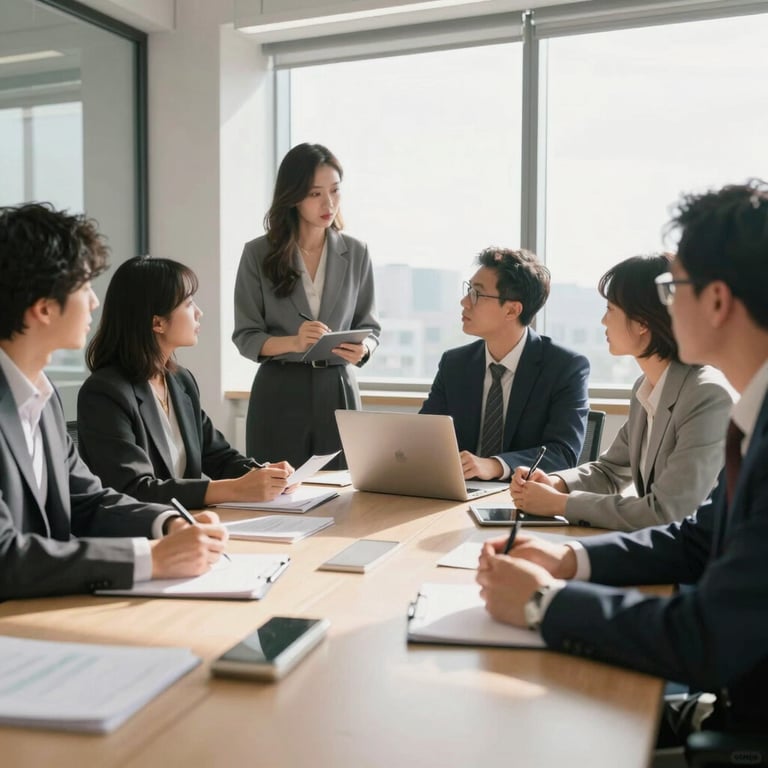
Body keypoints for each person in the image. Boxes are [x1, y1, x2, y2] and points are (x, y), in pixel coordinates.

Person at [477, 179, 768, 735]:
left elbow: (706, 636)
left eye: (672, 284)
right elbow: (697, 539)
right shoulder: (753, 415)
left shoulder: (726, 404)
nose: (666, 299)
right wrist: (571, 563)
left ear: (716, 300)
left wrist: (542, 604)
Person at [0, 203, 228, 600]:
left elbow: (89, 500)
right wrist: (150, 558)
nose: (94, 303)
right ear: (43, 308)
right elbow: (5, 557)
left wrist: (169, 523)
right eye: (84, 287)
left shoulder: (42, 397)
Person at [510, 253, 734, 531]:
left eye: (611, 309)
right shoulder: (646, 387)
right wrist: (556, 483)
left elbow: (668, 512)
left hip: (696, 565)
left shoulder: (707, 395)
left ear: (642, 323)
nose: (604, 321)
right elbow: (610, 471)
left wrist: (560, 504)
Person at [77, 256, 295, 508]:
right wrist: (235, 489)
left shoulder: (180, 381)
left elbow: (218, 456)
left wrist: (264, 474)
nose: (199, 312)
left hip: (190, 526)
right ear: (157, 322)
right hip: (143, 536)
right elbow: (133, 489)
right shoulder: (105, 393)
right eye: (189, 303)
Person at [233, 143, 381, 470]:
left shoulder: (357, 252)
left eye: (335, 191)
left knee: (345, 498)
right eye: (315, 194)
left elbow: (370, 327)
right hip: (279, 391)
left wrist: (365, 350)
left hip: (339, 387)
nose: (328, 203)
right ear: (293, 195)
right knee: (276, 496)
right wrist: (295, 342)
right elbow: (246, 336)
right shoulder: (258, 254)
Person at [420, 247, 590, 480]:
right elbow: (422, 436)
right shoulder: (455, 364)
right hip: (456, 493)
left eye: (476, 294)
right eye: (468, 290)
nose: (464, 302)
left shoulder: (565, 367)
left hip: (523, 500)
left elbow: (563, 453)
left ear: (512, 309)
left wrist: (495, 465)